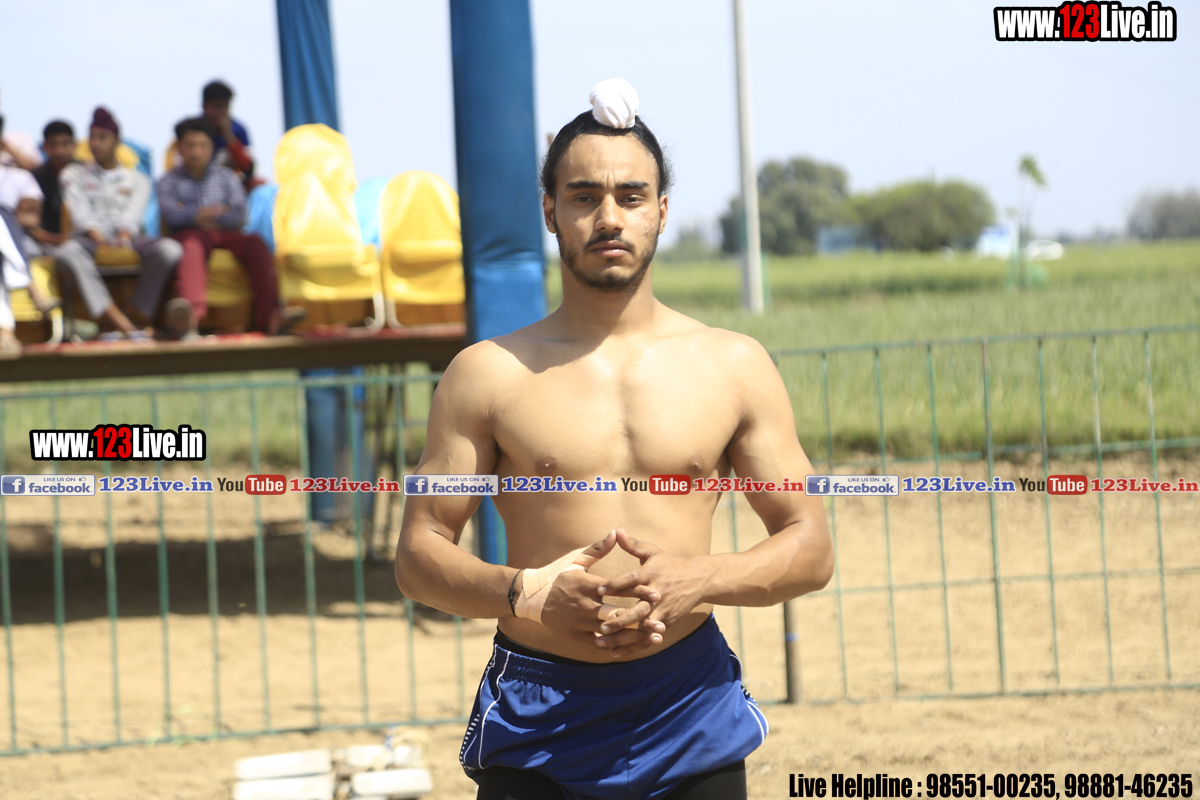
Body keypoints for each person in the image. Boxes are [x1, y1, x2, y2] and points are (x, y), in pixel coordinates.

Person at [394, 79, 833, 800]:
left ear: (661, 211)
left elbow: (810, 546)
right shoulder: (486, 374)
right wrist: (526, 591)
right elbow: (418, 554)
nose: (609, 217)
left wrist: (702, 577)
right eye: (583, 196)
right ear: (549, 210)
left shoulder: (733, 366)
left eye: (631, 196)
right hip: (538, 713)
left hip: (689, 706)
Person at [158, 116, 300, 338]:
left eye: (202, 145)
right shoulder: (168, 181)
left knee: (255, 243)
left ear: (211, 148)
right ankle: (189, 319)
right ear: (180, 149)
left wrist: (200, 215)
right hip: (190, 235)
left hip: (225, 234)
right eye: (190, 145)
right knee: (191, 245)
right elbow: (171, 215)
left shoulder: (226, 177)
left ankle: (272, 317)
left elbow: (239, 213)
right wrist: (203, 214)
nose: (196, 152)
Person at [54, 107, 181, 340]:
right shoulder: (73, 174)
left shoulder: (138, 179)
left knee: (170, 250)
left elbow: (133, 215)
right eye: (92, 138)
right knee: (67, 253)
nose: (95, 144)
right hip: (89, 241)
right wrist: (98, 238)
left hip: (127, 239)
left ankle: (131, 314)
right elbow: (80, 214)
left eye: (102, 138)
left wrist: (123, 236)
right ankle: (120, 322)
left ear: (117, 141)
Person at [28, 120, 76, 251]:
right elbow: (29, 220)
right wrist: (50, 238)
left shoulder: (86, 174)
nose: (59, 151)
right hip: (43, 242)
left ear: (74, 145)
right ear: (45, 147)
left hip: (80, 242)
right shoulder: (34, 177)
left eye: (65, 144)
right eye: (53, 145)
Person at [201, 80, 257, 188]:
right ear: (205, 106)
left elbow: (248, 169)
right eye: (217, 106)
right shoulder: (194, 130)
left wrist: (229, 136)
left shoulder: (238, 130)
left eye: (225, 106)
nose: (221, 112)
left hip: (231, 186)